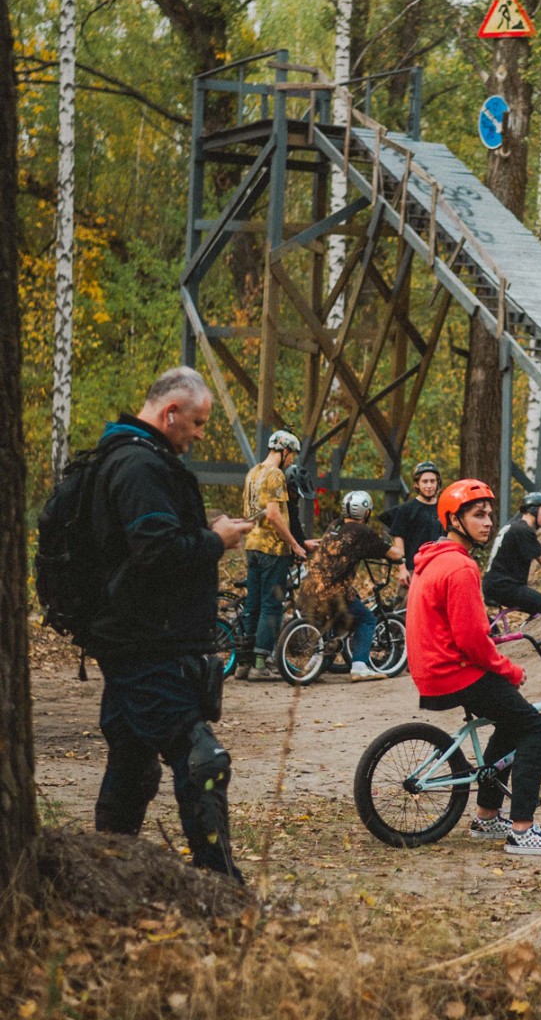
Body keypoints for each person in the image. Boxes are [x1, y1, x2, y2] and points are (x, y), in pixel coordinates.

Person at [85, 367, 251, 881]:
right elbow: (156, 553)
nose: (200, 435)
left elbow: (139, 547)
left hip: (136, 633)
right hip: (142, 641)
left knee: (134, 763)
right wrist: (215, 540)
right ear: (170, 413)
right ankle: (220, 887)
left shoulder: (129, 456)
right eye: (198, 423)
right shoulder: (139, 465)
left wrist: (201, 531)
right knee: (203, 757)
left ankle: (108, 872)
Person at [407, 479, 541, 857]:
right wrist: (509, 669)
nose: (487, 522)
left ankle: (486, 815)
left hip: (433, 667)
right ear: (454, 519)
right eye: (477, 515)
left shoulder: (433, 557)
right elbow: (471, 639)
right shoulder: (460, 568)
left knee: (511, 722)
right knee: (537, 729)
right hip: (453, 670)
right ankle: (523, 830)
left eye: (488, 515)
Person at [299, 491, 402, 680]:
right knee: (367, 619)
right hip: (333, 592)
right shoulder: (361, 532)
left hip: (309, 587)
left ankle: (317, 659)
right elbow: (392, 553)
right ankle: (360, 666)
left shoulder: (334, 526)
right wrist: (403, 552)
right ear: (366, 512)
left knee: (339, 615)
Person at [239, 430, 316, 681]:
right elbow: (274, 515)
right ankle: (261, 663)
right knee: (271, 605)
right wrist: (294, 544)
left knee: (253, 604)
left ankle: (244, 661)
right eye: (291, 454)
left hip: (252, 545)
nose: (292, 460)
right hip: (272, 548)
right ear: (283, 451)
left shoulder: (253, 473)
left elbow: (252, 512)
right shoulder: (275, 475)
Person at [482, 490, 541, 617]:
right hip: (506, 587)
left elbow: (534, 546)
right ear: (533, 510)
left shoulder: (516, 527)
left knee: (535, 607)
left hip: (495, 585)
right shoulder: (524, 530)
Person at [381, 461, 443, 579]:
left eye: (432, 481)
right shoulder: (406, 509)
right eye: (424, 481)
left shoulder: (444, 508)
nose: (429, 486)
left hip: (439, 570)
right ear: (417, 484)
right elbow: (399, 540)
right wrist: (402, 569)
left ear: (438, 483)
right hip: (414, 570)